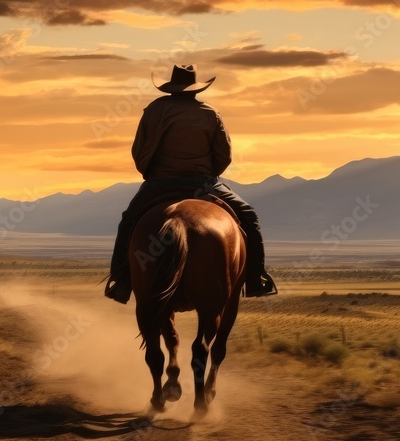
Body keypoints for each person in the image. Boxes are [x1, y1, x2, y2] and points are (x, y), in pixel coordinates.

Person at [104, 64, 277, 303]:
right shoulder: (210, 113)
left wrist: (153, 172)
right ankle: (256, 279)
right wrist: (208, 174)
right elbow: (223, 156)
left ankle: (121, 281)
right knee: (248, 215)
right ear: (196, 89)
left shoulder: (154, 110)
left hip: (159, 183)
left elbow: (139, 151)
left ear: (170, 88)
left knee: (128, 221)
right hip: (204, 184)